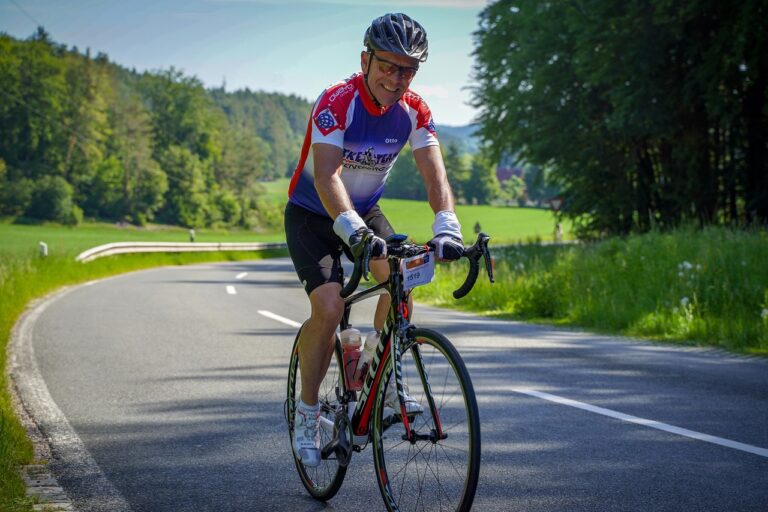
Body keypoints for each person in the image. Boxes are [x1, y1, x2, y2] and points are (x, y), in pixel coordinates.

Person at [284, 13, 464, 467]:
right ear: (365, 60)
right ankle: (307, 412)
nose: (395, 78)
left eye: (408, 70)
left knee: (402, 283)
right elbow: (326, 175)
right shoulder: (336, 101)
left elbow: (434, 174)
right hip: (313, 214)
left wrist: (446, 223)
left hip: (366, 213)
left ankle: (373, 368)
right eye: (387, 65)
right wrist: (351, 230)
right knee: (329, 308)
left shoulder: (415, 110)